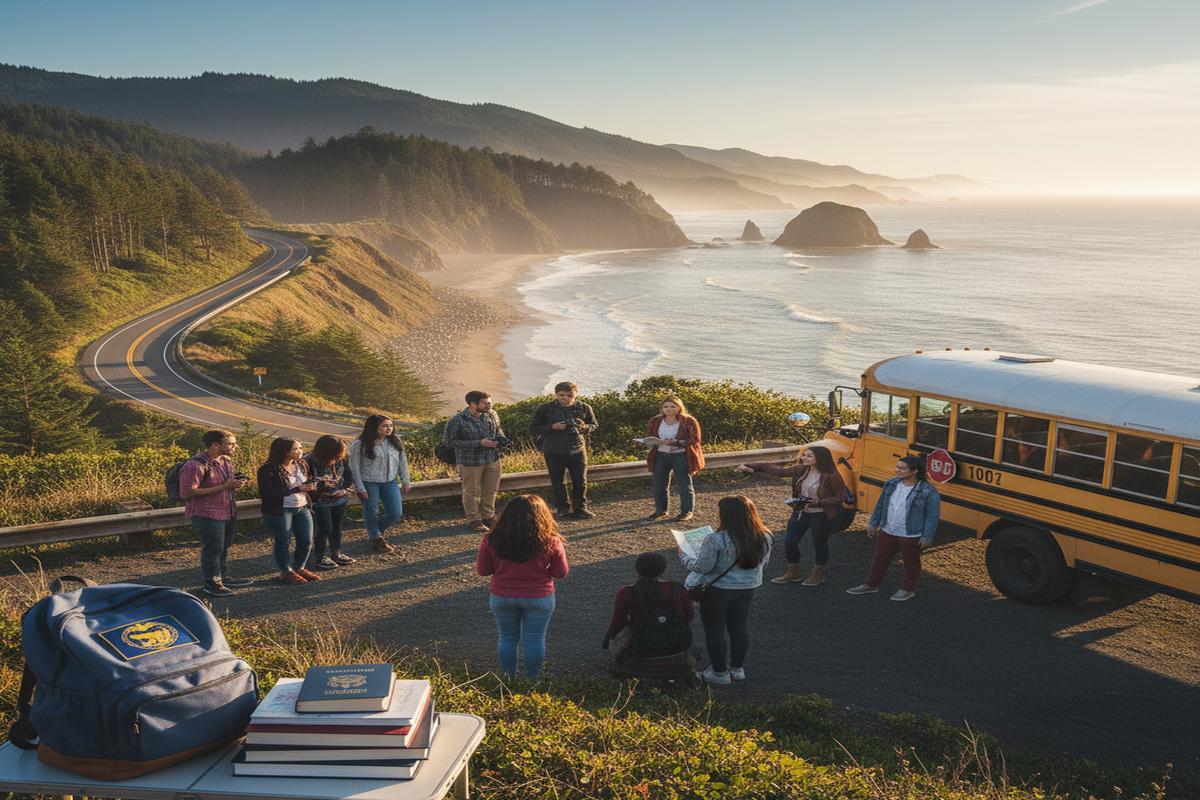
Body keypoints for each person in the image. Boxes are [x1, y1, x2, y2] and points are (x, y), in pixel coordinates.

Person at [679, 495, 772, 685]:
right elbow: (764, 563)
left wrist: (683, 555)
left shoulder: (715, 539)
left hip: (718, 590)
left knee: (715, 630)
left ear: (726, 516)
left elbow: (702, 568)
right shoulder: (765, 535)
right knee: (738, 627)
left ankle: (719, 673)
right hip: (749, 587)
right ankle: (737, 669)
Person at [476, 494, 569, 679]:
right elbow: (561, 573)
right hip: (539, 596)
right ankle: (532, 679)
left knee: (507, 638)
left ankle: (508, 677)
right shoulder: (551, 540)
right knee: (534, 639)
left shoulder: (491, 540)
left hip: (502, 596)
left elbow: (483, 570)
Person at [735, 445, 848, 586]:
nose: (803, 458)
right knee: (790, 541)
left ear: (819, 459)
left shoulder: (832, 475)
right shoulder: (800, 469)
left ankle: (818, 573)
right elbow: (778, 471)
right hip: (801, 511)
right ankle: (793, 571)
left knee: (819, 543)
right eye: (804, 455)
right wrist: (750, 466)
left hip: (821, 514)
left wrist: (818, 502)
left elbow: (841, 497)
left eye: (808, 456)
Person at [847, 455, 941, 601]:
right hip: (887, 529)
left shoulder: (928, 491)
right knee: (880, 558)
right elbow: (881, 505)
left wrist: (926, 537)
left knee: (911, 561)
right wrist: (873, 524)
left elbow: (932, 516)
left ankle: (907, 589)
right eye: (897, 467)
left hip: (910, 533)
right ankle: (871, 585)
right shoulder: (891, 483)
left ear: (915, 471)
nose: (897, 470)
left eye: (902, 468)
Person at [603, 552, 696, 681]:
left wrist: (609, 638)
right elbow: (689, 617)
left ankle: (631, 665)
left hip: (641, 646)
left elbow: (618, 622)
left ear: (638, 569)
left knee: (618, 642)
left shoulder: (626, 592)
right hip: (673, 643)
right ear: (663, 569)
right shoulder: (678, 589)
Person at [180, 429, 251, 597]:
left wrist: (235, 484)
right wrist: (225, 486)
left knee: (223, 547)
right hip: (207, 514)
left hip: (227, 510)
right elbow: (186, 493)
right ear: (215, 445)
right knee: (213, 549)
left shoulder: (225, 461)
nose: (235, 446)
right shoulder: (194, 465)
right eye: (231, 444)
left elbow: (225, 485)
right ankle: (212, 583)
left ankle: (222, 577)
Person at [529, 381, 599, 519]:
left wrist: (583, 427)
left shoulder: (584, 408)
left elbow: (594, 424)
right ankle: (562, 508)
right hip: (553, 450)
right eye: (561, 395)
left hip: (577, 449)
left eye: (569, 395)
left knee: (580, 481)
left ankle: (580, 508)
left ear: (575, 395)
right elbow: (533, 429)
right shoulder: (545, 409)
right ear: (556, 395)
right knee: (557, 481)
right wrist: (553, 427)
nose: (565, 398)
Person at [258, 437, 319, 585]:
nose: (300, 451)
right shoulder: (268, 469)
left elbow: (307, 480)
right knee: (283, 541)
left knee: (306, 540)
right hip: (280, 509)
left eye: (300, 448)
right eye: (295, 449)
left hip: (302, 506)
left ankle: (299, 567)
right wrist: (298, 488)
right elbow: (268, 493)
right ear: (284, 451)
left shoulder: (302, 464)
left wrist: (313, 485)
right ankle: (286, 571)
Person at [443, 390, 506, 532]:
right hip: (469, 461)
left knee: (491, 490)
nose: (489, 405)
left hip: (492, 458)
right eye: (485, 403)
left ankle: (488, 516)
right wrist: (479, 443)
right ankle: (474, 520)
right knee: (471, 492)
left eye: (490, 402)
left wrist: (501, 439)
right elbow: (449, 442)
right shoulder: (457, 420)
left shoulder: (492, 414)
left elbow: (498, 429)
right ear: (472, 404)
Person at [349, 415, 410, 553]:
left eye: (391, 425)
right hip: (368, 481)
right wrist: (360, 487)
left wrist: (405, 480)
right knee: (372, 512)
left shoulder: (395, 441)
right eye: (384, 426)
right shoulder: (359, 444)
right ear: (374, 427)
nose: (389, 428)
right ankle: (376, 537)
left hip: (390, 482)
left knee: (396, 512)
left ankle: (376, 533)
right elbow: (354, 467)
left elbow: (402, 462)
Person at [646, 396, 705, 522]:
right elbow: (651, 437)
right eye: (666, 406)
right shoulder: (655, 421)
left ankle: (686, 511)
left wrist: (676, 442)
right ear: (662, 408)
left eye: (673, 406)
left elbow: (695, 439)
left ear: (679, 407)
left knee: (684, 484)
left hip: (681, 455)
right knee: (659, 485)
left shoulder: (688, 420)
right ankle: (661, 510)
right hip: (661, 455)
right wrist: (647, 442)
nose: (669, 409)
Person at [303, 435, 356, 571]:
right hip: (320, 501)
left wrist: (344, 490)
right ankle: (320, 556)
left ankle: (336, 553)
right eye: (337, 452)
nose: (340, 455)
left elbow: (349, 476)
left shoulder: (342, 459)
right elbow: (304, 483)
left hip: (340, 498)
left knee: (337, 527)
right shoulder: (308, 461)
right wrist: (319, 493)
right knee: (325, 528)